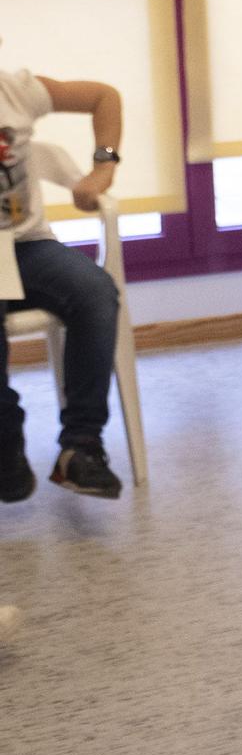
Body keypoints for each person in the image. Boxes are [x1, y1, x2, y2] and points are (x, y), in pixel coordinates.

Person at [0, 63, 125, 500]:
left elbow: (103, 96)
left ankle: (82, 446)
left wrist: (103, 166)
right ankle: (5, 439)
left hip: (27, 245)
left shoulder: (15, 90)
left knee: (95, 292)